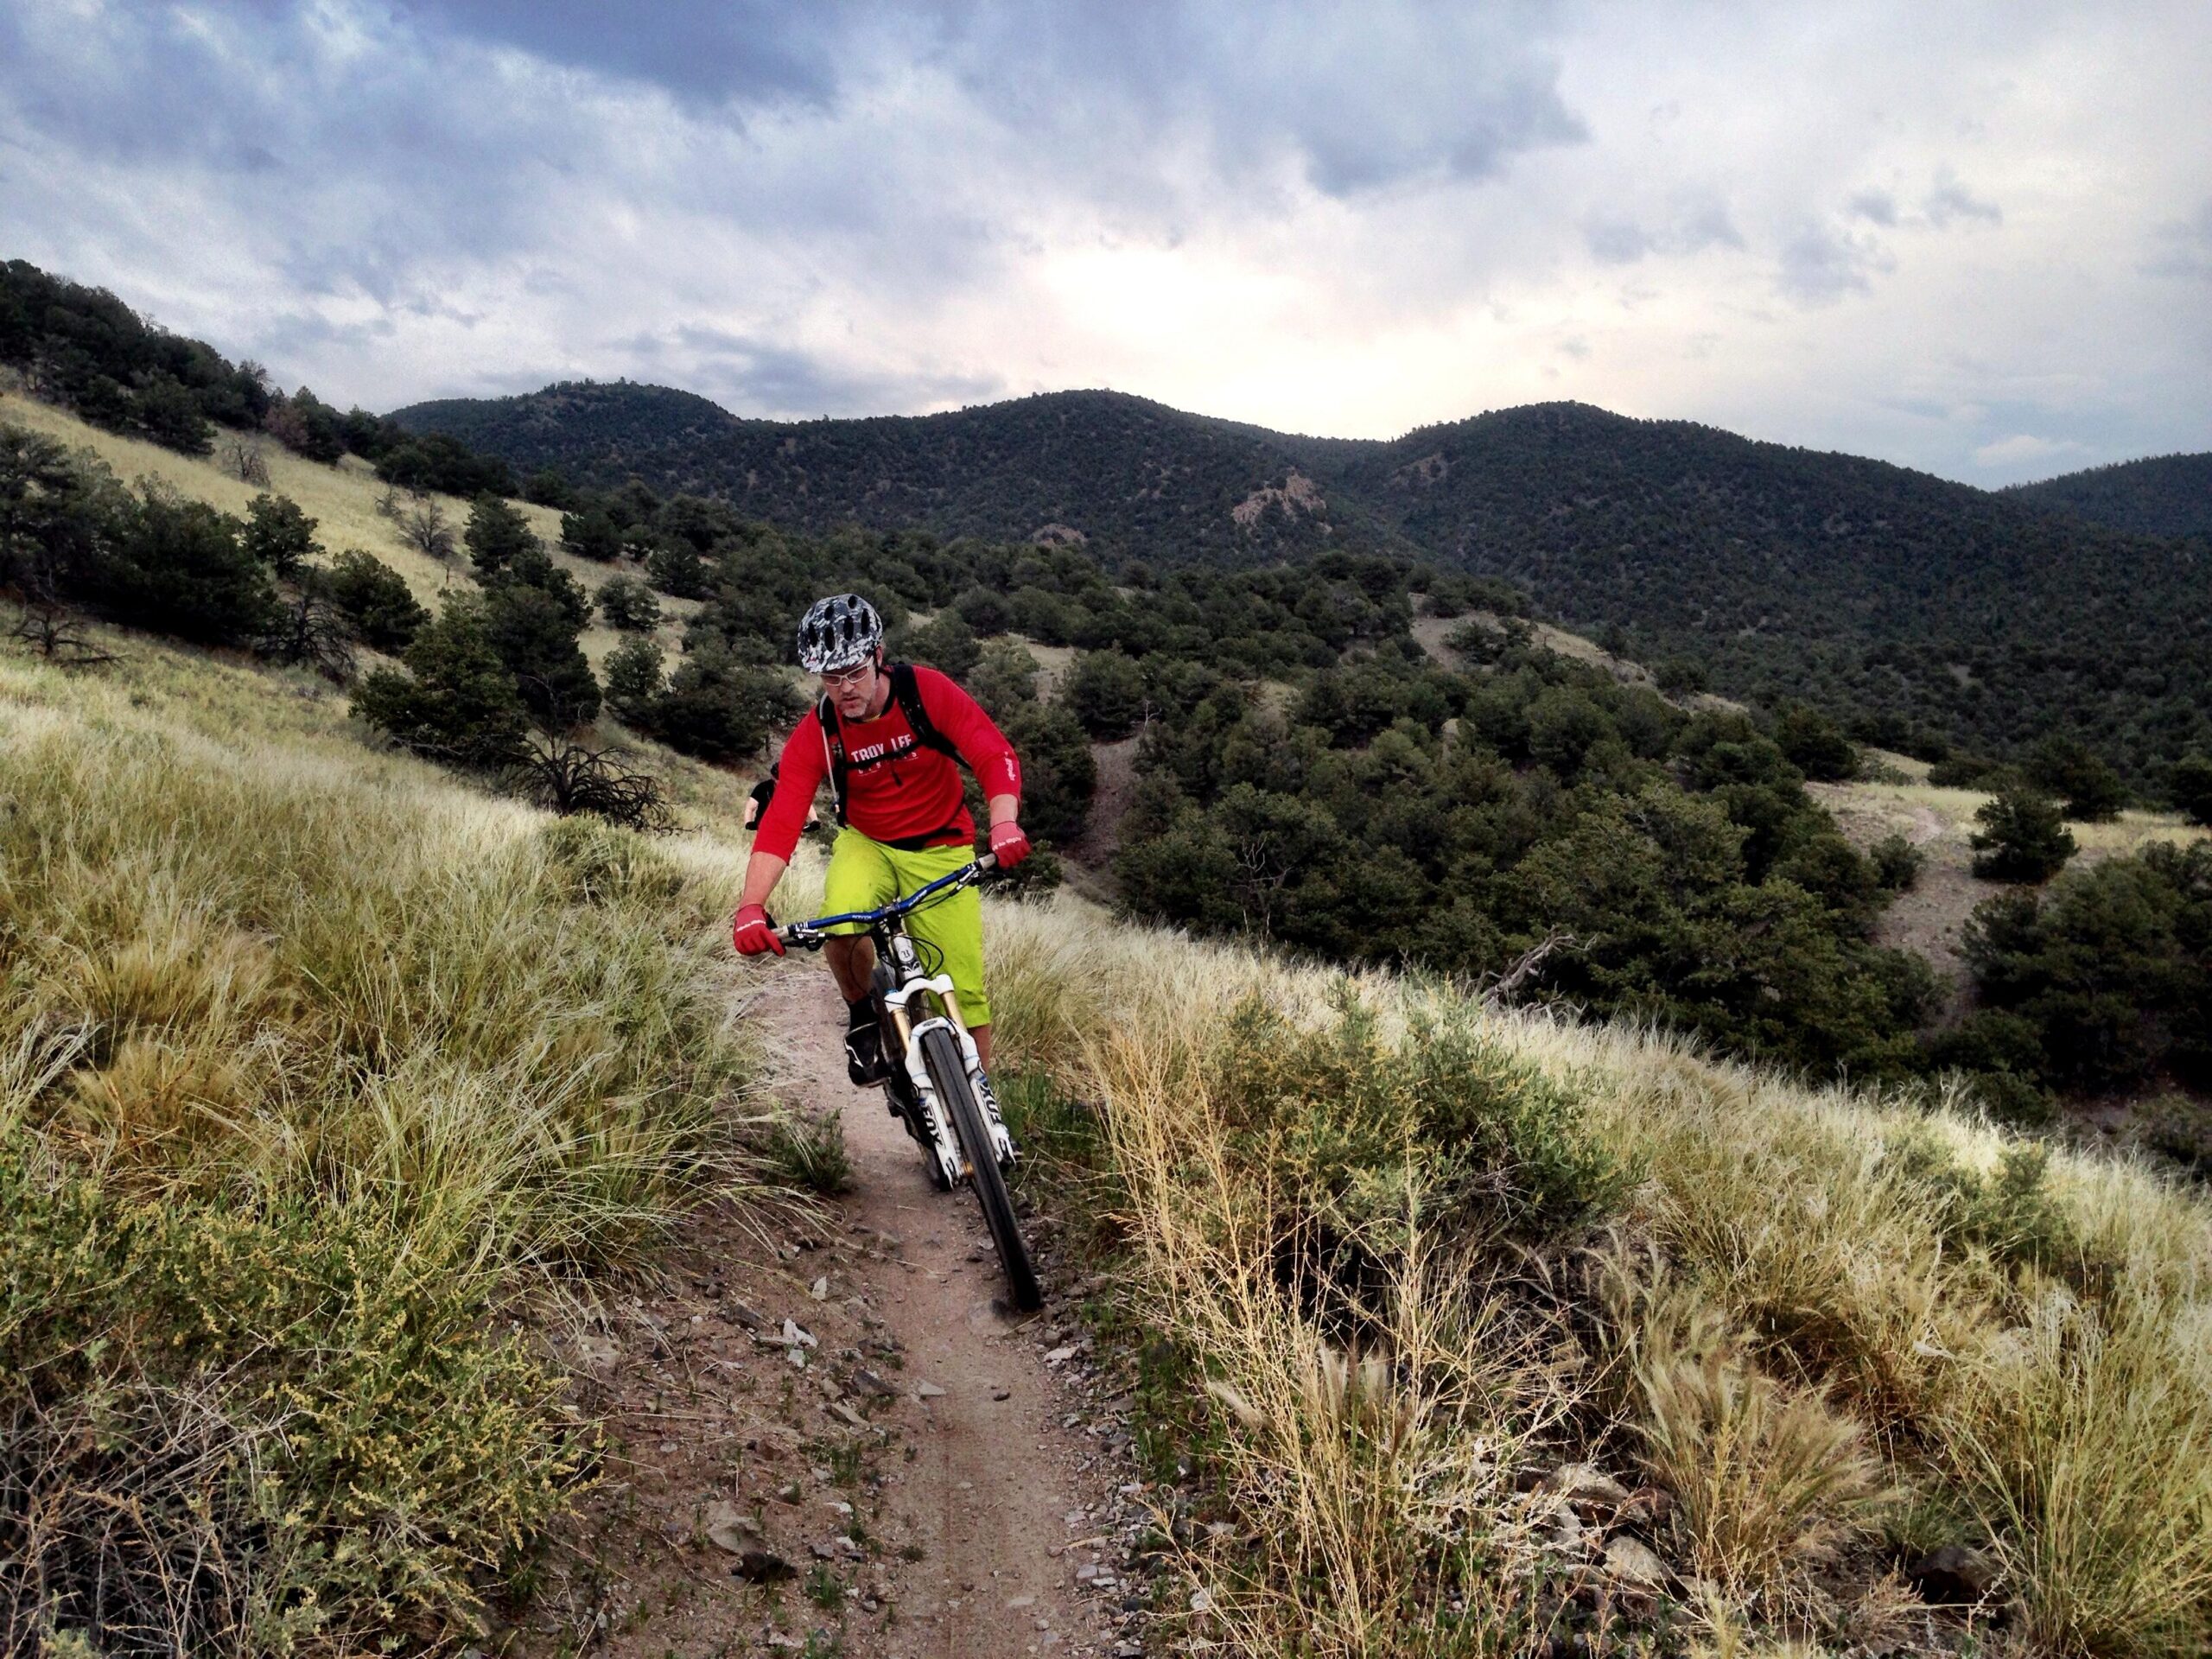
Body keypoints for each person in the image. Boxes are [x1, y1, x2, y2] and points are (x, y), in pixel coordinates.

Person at [730, 593, 1030, 1084]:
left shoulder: (926, 693)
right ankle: (863, 1014)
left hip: (941, 843)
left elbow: (992, 753)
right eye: (831, 677)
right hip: (866, 843)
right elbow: (783, 817)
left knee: (963, 990)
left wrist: (1004, 822)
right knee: (840, 923)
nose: (845, 688)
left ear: (879, 656)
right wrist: (750, 906)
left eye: (854, 672)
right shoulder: (820, 731)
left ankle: (982, 1102)